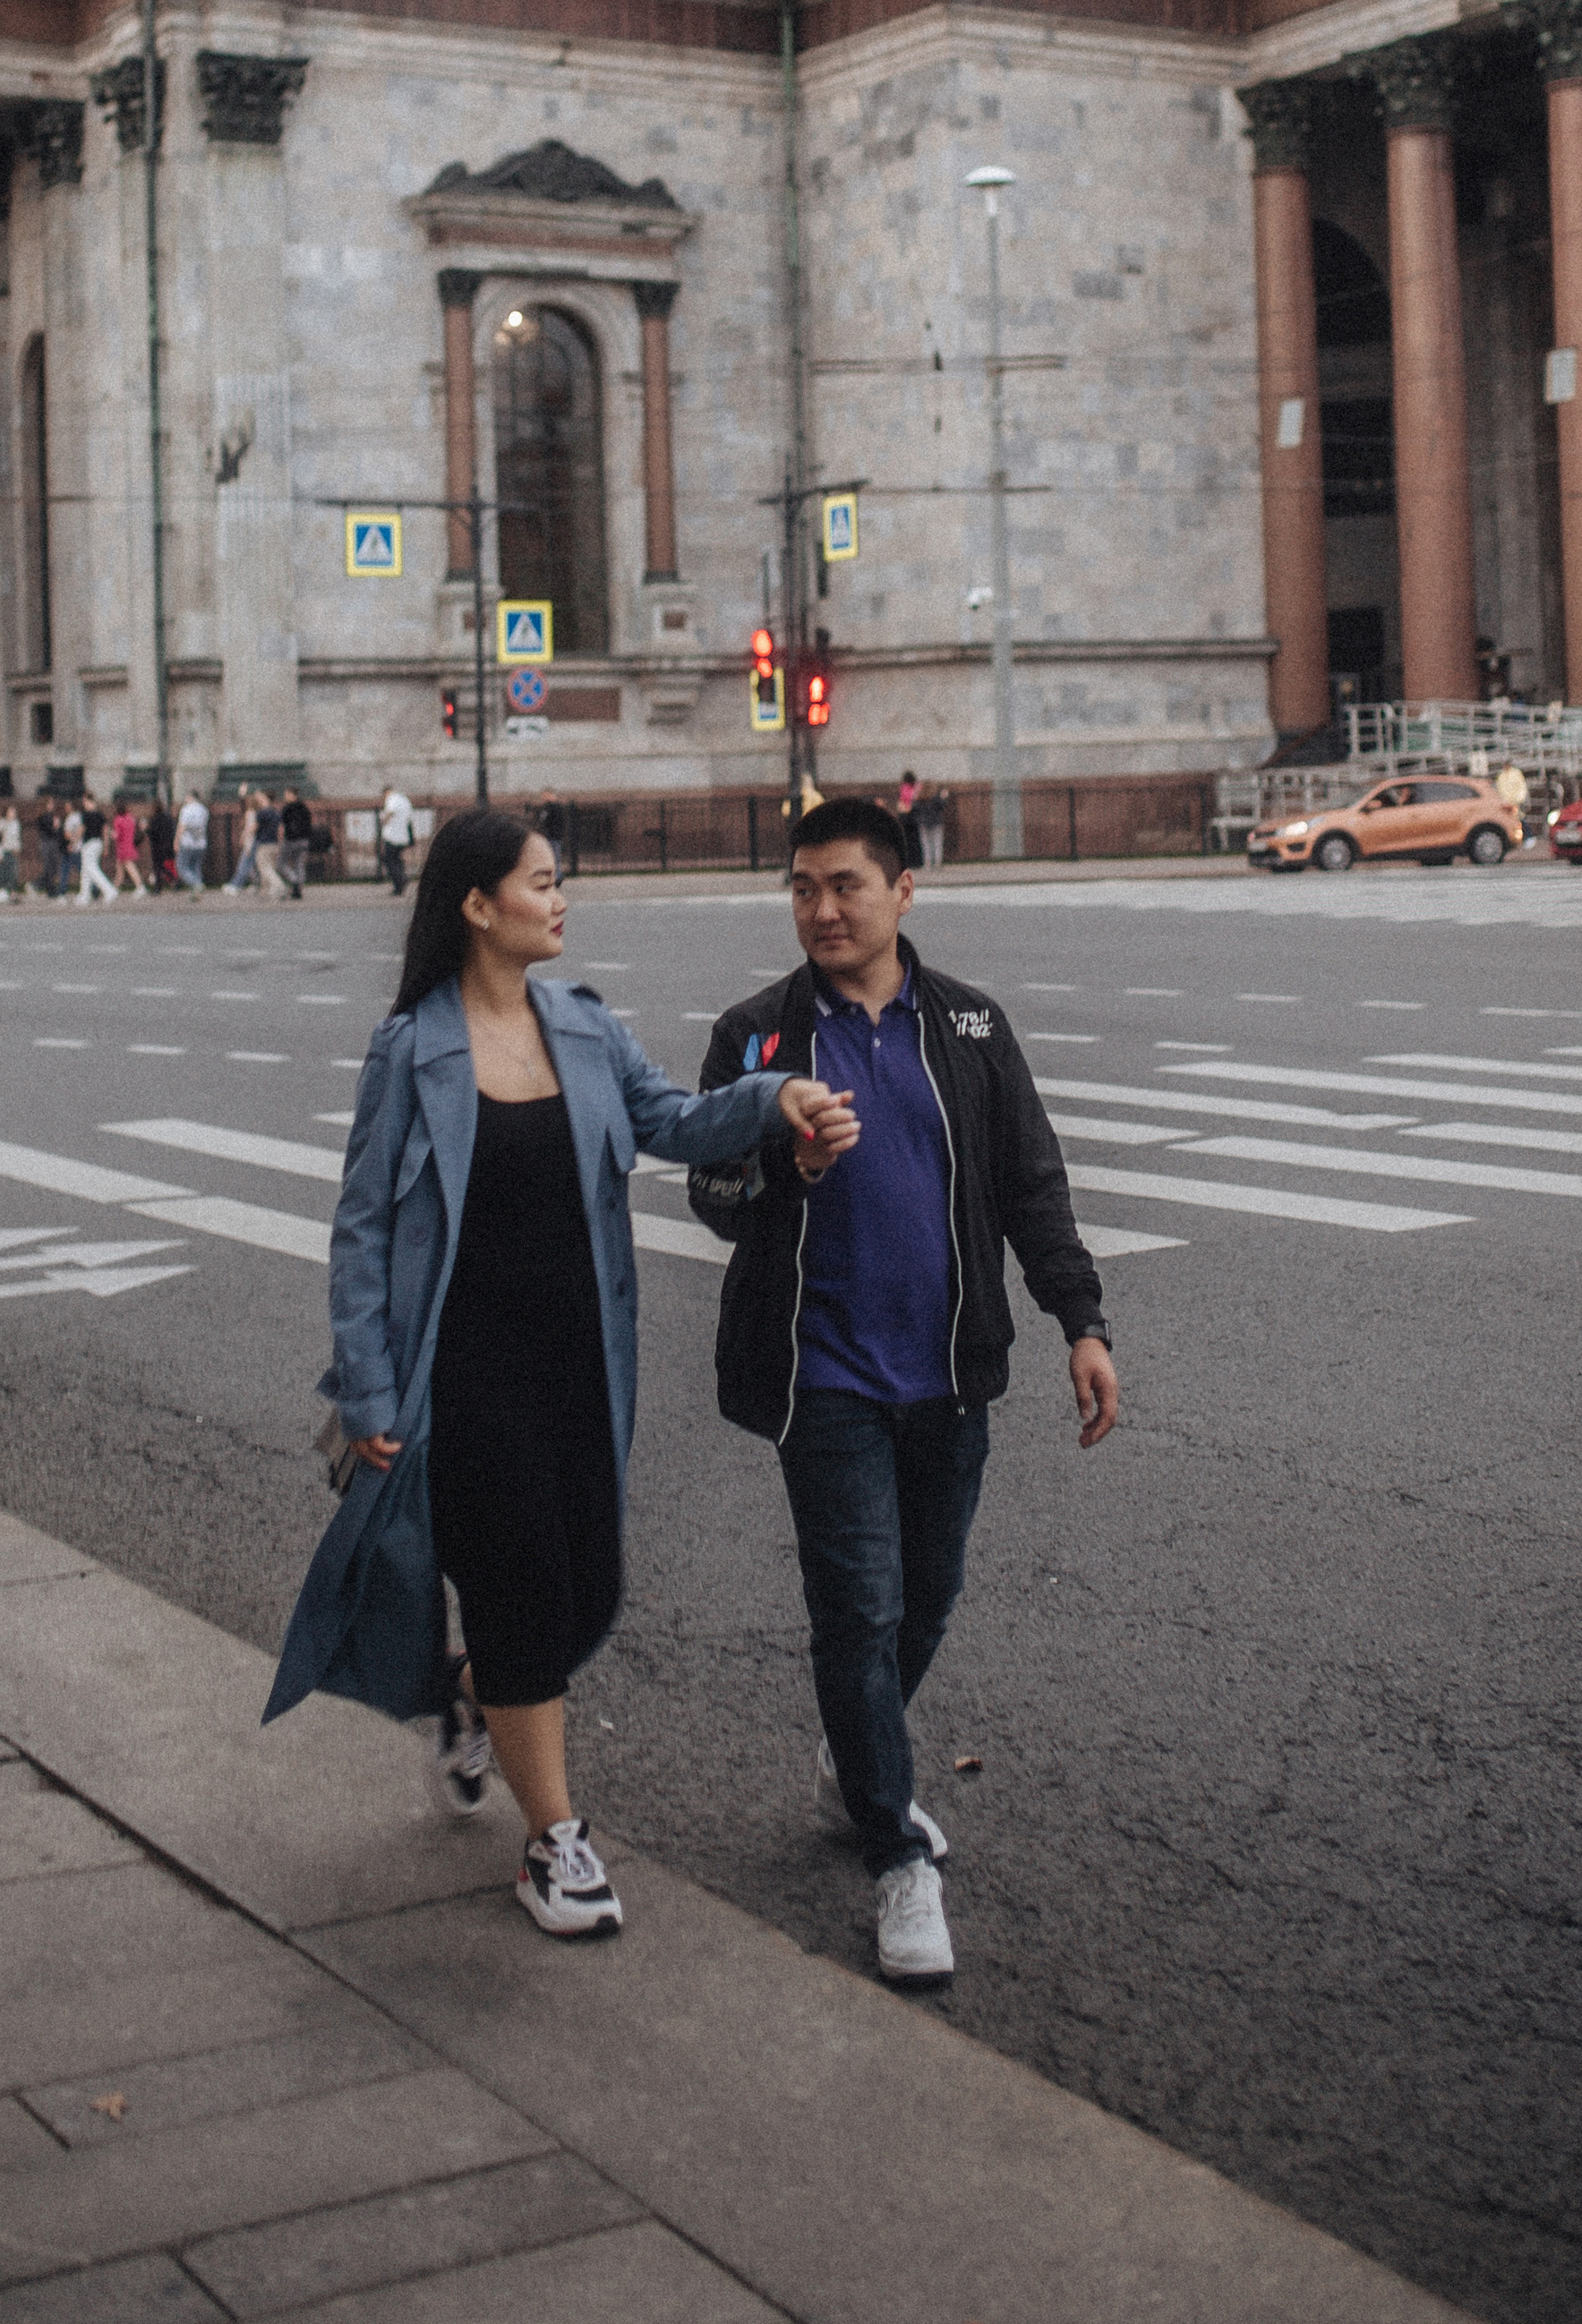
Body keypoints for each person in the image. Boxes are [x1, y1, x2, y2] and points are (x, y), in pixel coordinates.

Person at [265, 808, 858, 1941]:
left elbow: (671, 1123)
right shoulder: (414, 1048)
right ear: (480, 907)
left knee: (585, 1583)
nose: (560, 896)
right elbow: (361, 1229)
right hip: (465, 1371)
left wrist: (771, 1103)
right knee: (528, 1583)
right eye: (541, 881)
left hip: (582, 1358)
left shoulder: (581, 1026)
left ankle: (470, 1688)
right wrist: (369, 1386)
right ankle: (554, 1841)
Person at [692, 796, 1118, 1986]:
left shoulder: (971, 1026)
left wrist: (1080, 1319)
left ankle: (859, 1752)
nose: (822, 908)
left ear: (902, 892)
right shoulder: (757, 1037)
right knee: (861, 1609)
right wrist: (781, 1157)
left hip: (947, 1368)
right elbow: (709, 1194)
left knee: (928, 1595)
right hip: (819, 1371)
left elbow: (1031, 1181)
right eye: (803, 888)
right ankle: (894, 1853)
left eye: (846, 885)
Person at [225, 787, 264, 898]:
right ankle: (256, 884)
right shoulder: (255, 812)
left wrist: (244, 838)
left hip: (250, 842)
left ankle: (236, 885)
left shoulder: (251, 813)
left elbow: (249, 829)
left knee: (244, 865)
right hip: (254, 842)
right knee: (252, 866)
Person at [277, 787, 313, 901]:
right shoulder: (304, 807)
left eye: (286, 794)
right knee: (299, 865)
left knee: (281, 863)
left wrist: (280, 838)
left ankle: (294, 881)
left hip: (291, 840)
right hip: (304, 840)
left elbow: (282, 825)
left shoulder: (287, 808)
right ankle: (298, 890)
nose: (285, 796)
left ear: (292, 795)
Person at [379, 785, 415, 899]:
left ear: (386, 792)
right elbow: (410, 817)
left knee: (389, 860)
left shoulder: (392, 799)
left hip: (392, 836)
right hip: (403, 835)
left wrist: (384, 820)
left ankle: (400, 880)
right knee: (396, 859)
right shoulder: (404, 799)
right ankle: (400, 883)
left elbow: (390, 812)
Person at [78, 795, 115, 905]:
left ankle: (109, 890)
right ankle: (84, 895)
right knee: (86, 870)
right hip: (98, 843)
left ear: (87, 801)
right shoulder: (100, 814)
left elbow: (81, 829)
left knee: (91, 869)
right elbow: (106, 830)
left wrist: (74, 841)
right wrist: (106, 846)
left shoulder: (86, 815)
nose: (83, 804)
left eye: (84, 801)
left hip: (89, 844)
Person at [174, 787, 210, 898]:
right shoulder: (204, 809)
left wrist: (176, 841)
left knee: (182, 867)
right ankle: (197, 893)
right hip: (201, 842)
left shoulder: (186, 809)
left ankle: (197, 885)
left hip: (188, 842)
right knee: (195, 868)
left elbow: (182, 827)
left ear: (190, 797)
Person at [112, 802, 144, 897]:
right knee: (120, 869)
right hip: (130, 844)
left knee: (129, 867)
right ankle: (114, 889)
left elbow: (117, 835)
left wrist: (112, 834)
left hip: (122, 847)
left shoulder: (118, 820)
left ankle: (140, 887)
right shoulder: (131, 818)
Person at [149, 795, 178, 894]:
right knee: (161, 866)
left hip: (157, 846)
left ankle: (159, 887)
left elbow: (153, 833)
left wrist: (145, 829)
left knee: (158, 867)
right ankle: (172, 879)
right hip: (167, 845)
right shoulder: (168, 818)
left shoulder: (155, 819)